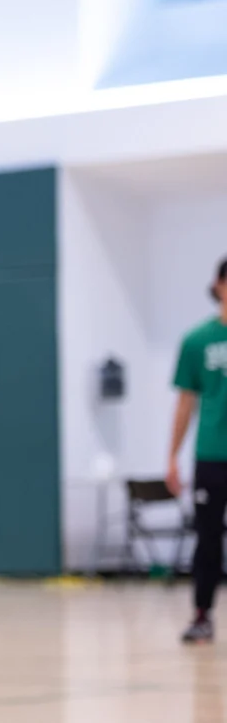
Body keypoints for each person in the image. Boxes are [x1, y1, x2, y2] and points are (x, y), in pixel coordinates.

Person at [169, 256, 227, 644]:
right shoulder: (196, 341)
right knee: (208, 538)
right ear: (219, 285)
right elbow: (185, 402)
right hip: (212, 455)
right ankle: (202, 615)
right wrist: (171, 456)